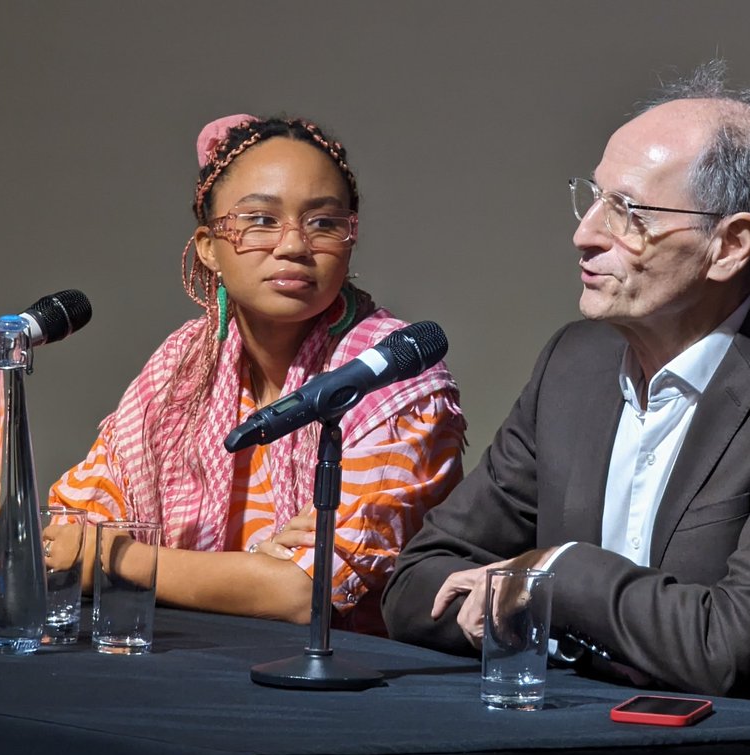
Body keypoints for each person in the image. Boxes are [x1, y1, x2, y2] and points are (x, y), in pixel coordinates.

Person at [381, 61, 750, 713]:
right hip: (567, 732)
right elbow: (413, 587)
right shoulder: (574, 364)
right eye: (593, 197)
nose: (584, 234)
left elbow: (725, 647)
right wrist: (541, 615)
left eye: (628, 212)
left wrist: (552, 576)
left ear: (731, 245)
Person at [50, 114, 466, 635]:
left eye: (323, 223)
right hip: (191, 661)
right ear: (208, 247)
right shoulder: (182, 365)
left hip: (356, 687)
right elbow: (71, 531)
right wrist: (252, 569)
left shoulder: (391, 373)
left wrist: (123, 561)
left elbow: (303, 591)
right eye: (261, 220)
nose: (293, 245)